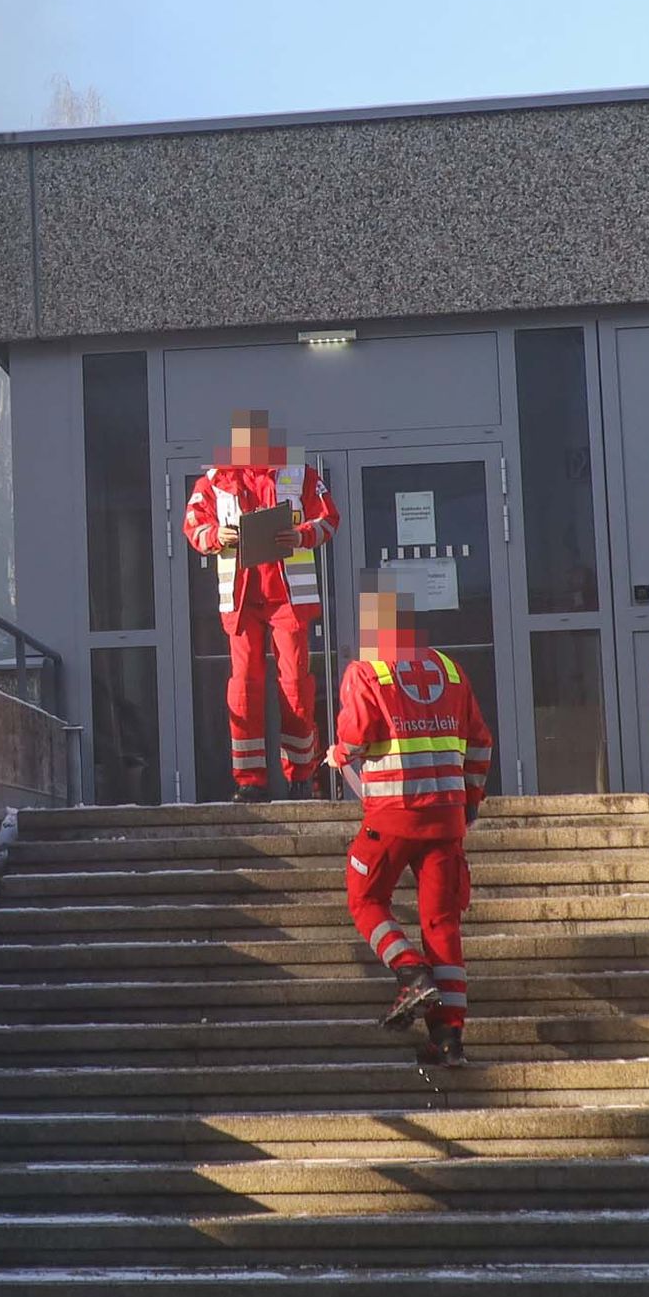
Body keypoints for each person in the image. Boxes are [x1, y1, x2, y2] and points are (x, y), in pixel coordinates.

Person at [324, 587, 494, 1064]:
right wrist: (471, 800)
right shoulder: (452, 669)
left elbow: (357, 738)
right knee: (443, 924)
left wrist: (338, 755)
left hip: (393, 816)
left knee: (365, 897)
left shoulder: (366, 672)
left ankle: (411, 974)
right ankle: (448, 1039)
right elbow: (481, 743)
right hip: (446, 820)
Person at [180, 411, 338, 798]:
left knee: (296, 688)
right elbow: (193, 528)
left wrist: (300, 535)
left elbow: (329, 520)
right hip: (242, 597)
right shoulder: (214, 481)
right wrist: (219, 535)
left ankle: (302, 777)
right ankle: (249, 782)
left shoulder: (299, 475)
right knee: (244, 689)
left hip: (288, 597)